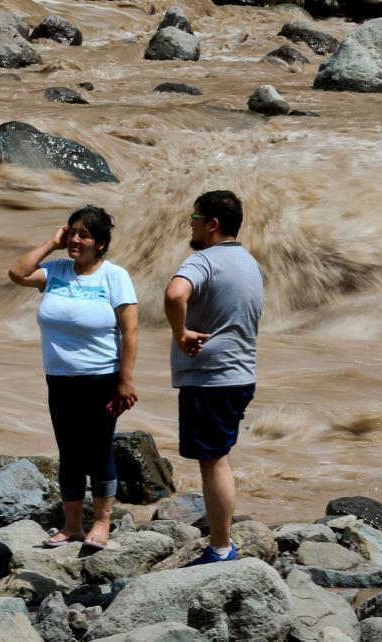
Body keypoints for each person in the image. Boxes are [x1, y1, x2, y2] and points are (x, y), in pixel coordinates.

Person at [8, 205, 138, 549]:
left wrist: (125, 380)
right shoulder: (55, 270)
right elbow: (17, 273)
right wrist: (52, 242)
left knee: (98, 451)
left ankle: (102, 523)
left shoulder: (114, 276)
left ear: (101, 243)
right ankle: (71, 526)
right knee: (69, 452)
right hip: (60, 377)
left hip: (101, 377)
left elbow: (131, 330)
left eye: (84, 235)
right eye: (72, 232)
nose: (76, 240)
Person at [163, 190, 263, 565]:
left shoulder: (203, 261)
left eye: (194, 217)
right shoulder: (250, 263)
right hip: (240, 375)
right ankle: (222, 542)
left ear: (213, 224)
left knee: (214, 461)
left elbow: (175, 295)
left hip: (210, 379)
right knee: (218, 457)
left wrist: (181, 333)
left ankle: (221, 547)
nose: (191, 223)